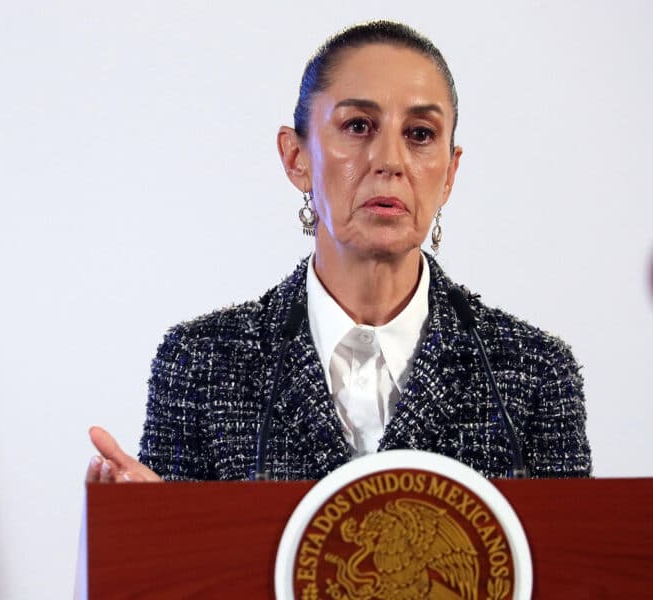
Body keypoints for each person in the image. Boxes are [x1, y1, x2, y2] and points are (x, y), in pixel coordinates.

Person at [85, 20, 591, 484]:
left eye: (419, 135)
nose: (389, 160)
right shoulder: (201, 363)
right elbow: (176, 572)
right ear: (296, 157)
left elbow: (571, 576)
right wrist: (139, 540)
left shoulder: (533, 374)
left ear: (450, 173)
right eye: (357, 126)